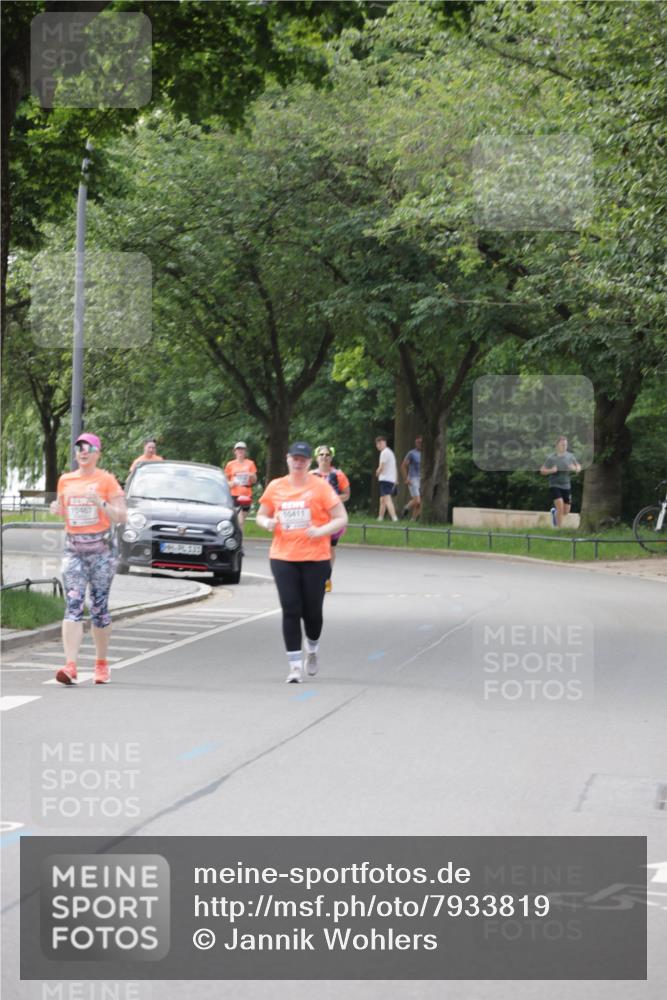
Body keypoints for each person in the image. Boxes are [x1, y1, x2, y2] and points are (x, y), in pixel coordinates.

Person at [256, 441, 348, 684]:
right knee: (290, 608)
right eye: (294, 458)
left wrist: (321, 531)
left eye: (303, 459)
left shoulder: (321, 487)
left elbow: (341, 518)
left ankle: (313, 649)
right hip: (283, 556)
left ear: (309, 462)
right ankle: (295, 667)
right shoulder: (276, 486)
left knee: (312, 612)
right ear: (288, 459)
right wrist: (267, 523)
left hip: (316, 557)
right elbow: (261, 514)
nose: (298, 462)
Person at [49, 433, 127, 685]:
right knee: (73, 604)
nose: (83, 452)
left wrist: (100, 502)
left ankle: (101, 664)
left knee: (98, 607)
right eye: (79, 448)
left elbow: (121, 517)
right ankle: (70, 666)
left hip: (102, 551)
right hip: (74, 549)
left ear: (97, 453)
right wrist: (57, 509)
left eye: (88, 448)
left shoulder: (107, 480)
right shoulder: (65, 480)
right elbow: (64, 510)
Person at [311, 445, 350, 593]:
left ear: (331, 457)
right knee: (316, 549)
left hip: (333, 519)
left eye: (327, 455)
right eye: (321, 454)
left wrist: (332, 499)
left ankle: (327, 578)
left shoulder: (338, 474)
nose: (324, 457)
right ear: (316, 457)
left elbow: (346, 494)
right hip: (316, 519)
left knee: (330, 549)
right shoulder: (311, 475)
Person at [540, 435, 581, 528]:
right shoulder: (551, 458)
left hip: (566, 485)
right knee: (560, 507)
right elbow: (542, 470)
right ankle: (558, 529)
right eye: (562, 444)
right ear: (557, 445)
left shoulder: (570, 456)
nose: (564, 446)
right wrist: (551, 470)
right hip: (554, 484)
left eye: (565, 445)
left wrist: (574, 468)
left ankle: (554, 513)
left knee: (566, 511)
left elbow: (578, 467)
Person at [224, 441, 257, 530]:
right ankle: (237, 540)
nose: (240, 451)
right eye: (238, 449)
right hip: (235, 494)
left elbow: (254, 480)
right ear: (235, 452)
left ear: (245, 451)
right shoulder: (230, 464)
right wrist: (232, 483)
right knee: (240, 520)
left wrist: (251, 475)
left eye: (242, 449)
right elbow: (225, 482)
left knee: (242, 520)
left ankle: (239, 540)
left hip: (247, 495)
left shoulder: (250, 463)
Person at [375, 435, 399, 521]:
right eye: (377, 444)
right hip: (391, 479)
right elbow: (394, 467)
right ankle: (380, 517)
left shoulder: (384, 452)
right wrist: (396, 479)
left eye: (379, 443)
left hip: (385, 479)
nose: (378, 445)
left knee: (387, 499)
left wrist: (377, 472)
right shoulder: (390, 452)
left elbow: (382, 467)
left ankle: (394, 517)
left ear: (383, 443)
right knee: (382, 499)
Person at [400, 435, 422, 520]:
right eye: (417, 442)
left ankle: (413, 520)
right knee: (417, 500)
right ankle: (407, 507)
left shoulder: (426, 454)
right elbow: (403, 466)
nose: (419, 444)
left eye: (420, 442)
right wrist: (406, 479)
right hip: (413, 478)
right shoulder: (412, 453)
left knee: (420, 503)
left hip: (422, 479)